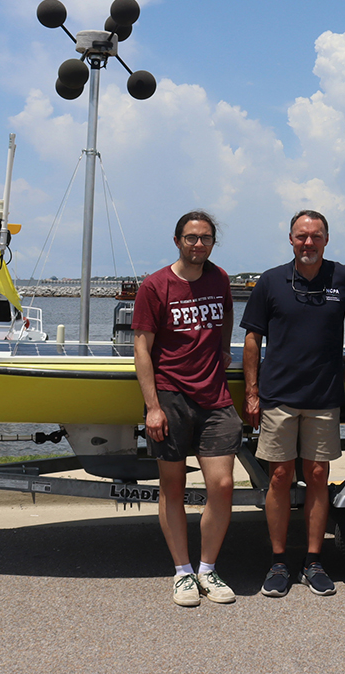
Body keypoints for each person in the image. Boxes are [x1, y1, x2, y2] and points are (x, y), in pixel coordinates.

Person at [241, 210, 345, 597]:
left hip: (324, 395)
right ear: (290, 239)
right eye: (301, 236)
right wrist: (251, 393)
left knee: (318, 476)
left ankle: (315, 561)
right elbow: (252, 339)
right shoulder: (271, 281)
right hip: (278, 396)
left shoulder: (344, 277)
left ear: (326, 240)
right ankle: (279, 561)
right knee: (280, 477)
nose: (308, 243)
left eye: (315, 236)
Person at [132, 210, 240, 607]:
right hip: (171, 395)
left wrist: (225, 348)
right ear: (177, 240)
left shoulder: (220, 278)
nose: (199, 244)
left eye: (206, 238)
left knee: (222, 486)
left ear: (213, 242)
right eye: (191, 237)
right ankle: (182, 573)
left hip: (215, 397)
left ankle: (208, 569)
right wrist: (152, 407)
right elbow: (141, 348)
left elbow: (227, 314)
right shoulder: (156, 285)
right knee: (172, 487)